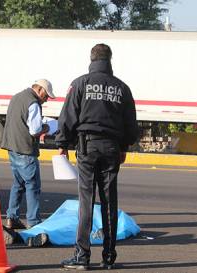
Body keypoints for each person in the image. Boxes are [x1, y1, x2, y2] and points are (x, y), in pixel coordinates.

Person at [55, 44, 139, 270]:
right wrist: (124, 147)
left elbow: (68, 116)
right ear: (110, 59)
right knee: (109, 202)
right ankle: (109, 257)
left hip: (87, 147)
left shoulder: (80, 83)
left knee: (86, 202)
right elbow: (131, 125)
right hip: (112, 148)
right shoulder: (122, 88)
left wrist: (62, 143)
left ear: (91, 59)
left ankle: (82, 257)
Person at [1, 79, 56, 230]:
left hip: (12, 148)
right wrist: (47, 127)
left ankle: (12, 218)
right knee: (33, 186)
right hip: (25, 150)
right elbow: (35, 130)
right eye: (46, 96)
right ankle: (33, 221)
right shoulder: (33, 103)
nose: (46, 100)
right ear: (40, 90)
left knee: (18, 184)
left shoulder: (17, 97)